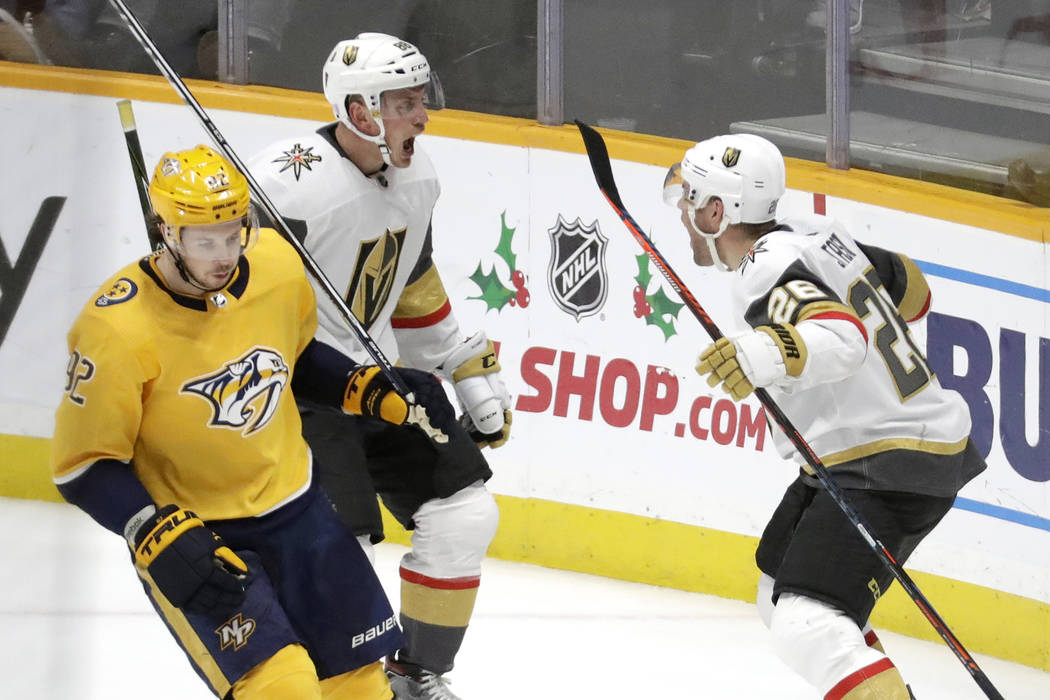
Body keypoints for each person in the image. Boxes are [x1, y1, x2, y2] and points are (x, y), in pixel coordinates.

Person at [50, 144, 460, 700]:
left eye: (232, 234)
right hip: (205, 541)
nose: (223, 255)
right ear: (166, 232)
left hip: (300, 513)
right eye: (204, 241)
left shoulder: (274, 266)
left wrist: (368, 388)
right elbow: (85, 467)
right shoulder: (117, 328)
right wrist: (150, 530)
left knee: (360, 689)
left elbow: (294, 358)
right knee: (281, 688)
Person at [663, 134, 986, 699]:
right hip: (885, 450)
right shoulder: (818, 235)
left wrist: (758, 353)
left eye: (692, 201)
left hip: (886, 462)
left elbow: (843, 338)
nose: (685, 216)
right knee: (778, 591)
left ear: (718, 212)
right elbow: (915, 292)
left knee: (806, 622)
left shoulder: (764, 270)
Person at [247, 33, 508, 700]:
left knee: (465, 515)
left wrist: (460, 364)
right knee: (340, 550)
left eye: (422, 99)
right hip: (305, 394)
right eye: (405, 103)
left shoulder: (418, 178)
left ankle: (415, 675)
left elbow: (411, 283)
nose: (422, 115)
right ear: (361, 112)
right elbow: (231, 294)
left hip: (382, 380)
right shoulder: (285, 186)